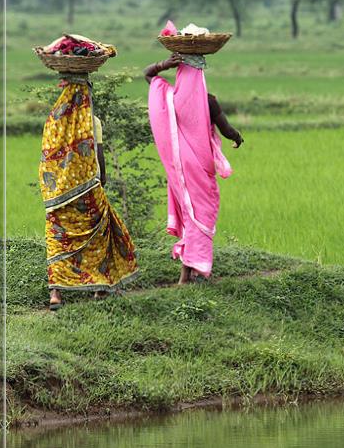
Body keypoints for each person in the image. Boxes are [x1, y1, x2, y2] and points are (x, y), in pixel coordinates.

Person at [39, 73, 138, 310]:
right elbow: (98, 154)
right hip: (88, 190)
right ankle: (98, 288)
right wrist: (101, 179)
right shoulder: (92, 121)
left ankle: (56, 294)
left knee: (59, 238)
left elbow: (47, 158)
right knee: (96, 236)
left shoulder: (54, 119)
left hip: (58, 194)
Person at [145, 51, 243, 284]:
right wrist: (237, 137)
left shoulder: (168, 97)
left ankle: (190, 271)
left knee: (190, 216)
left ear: (180, 73)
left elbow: (148, 74)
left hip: (179, 170)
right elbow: (227, 130)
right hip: (200, 168)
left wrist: (163, 64)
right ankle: (189, 273)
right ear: (199, 75)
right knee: (201, 216)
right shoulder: (208, 101)